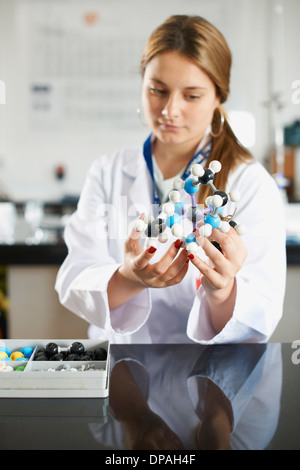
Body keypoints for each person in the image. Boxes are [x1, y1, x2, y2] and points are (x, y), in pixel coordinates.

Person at [55, 15, 286, 344]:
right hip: (122, 369)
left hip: (210, 378)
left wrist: (223, 291)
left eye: (191, 96)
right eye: (157, 90)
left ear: (219, 97)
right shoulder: (108, 172)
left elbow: (262, 313)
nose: (170, 110)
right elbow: (74, 279)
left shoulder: (248, 183)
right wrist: (129, 278)